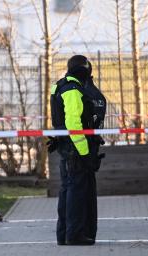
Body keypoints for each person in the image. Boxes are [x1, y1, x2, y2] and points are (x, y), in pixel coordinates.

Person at [49, 55, 106, 246]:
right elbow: (73, 123)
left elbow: (60, 121)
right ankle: (75, 234)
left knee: (67, 191)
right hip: (75, 150)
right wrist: (85, 153)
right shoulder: (73, 90)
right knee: (76, 192)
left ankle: (64, 234)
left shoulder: (59, 86)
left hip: (66, 148)